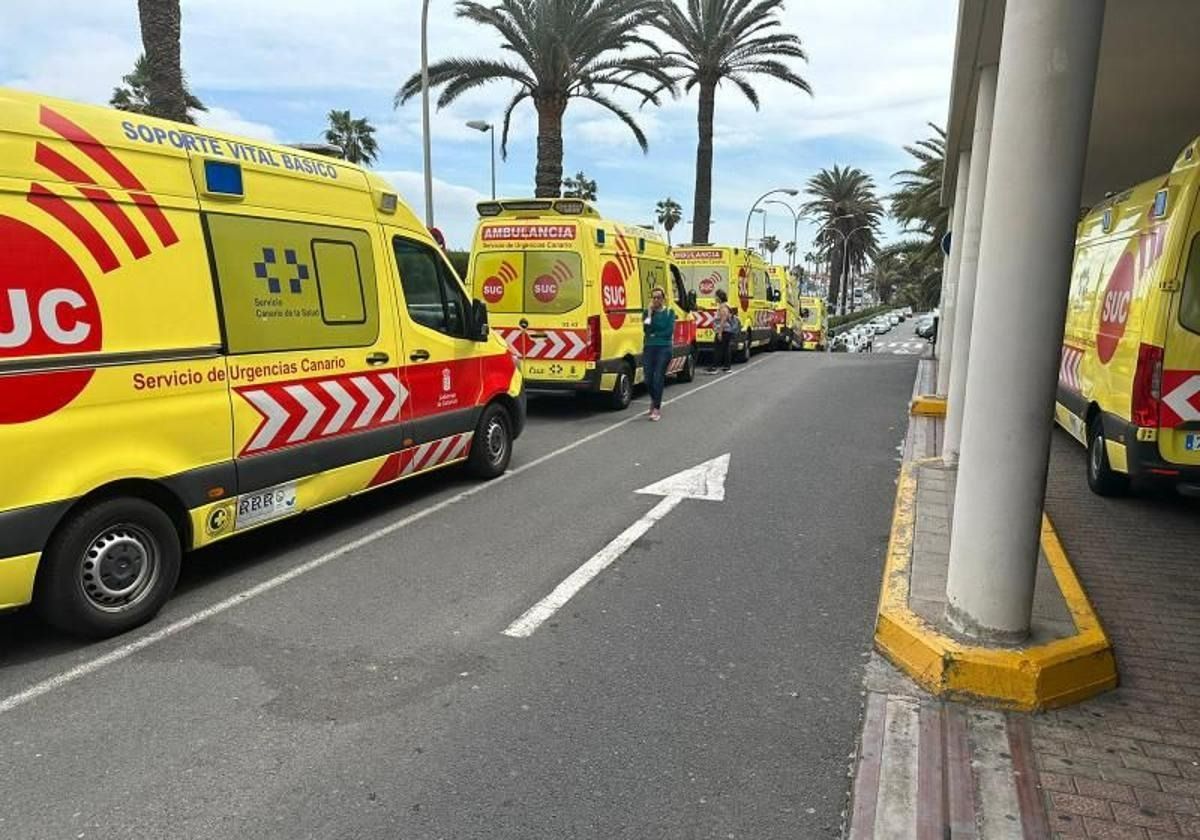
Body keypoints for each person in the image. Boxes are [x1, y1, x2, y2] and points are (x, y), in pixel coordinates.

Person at [642, 285, 676, 421]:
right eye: (654, 297)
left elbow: (668, 332)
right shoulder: (647, 313)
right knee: (648, 378)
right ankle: (654, 399)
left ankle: (656, 408)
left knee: (658, 377)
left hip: (664, 348)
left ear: (663, 299)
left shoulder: (669, 312)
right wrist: (650, 314)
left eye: (659, 297)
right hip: (649, 347)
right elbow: (646, 329)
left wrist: (655, 334)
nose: (656, 300)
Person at [706, 289, 734, 373]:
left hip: (724, 330)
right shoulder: (725, 306)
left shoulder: (723, 307)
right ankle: (727, 367)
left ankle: (714, 367)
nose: (715, 298)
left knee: (718, 348)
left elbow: (723, 319)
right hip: (726, 330)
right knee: (725, 349)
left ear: (720, 297)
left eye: (716, 296)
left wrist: (720, 332)